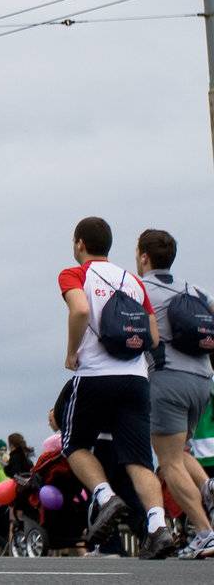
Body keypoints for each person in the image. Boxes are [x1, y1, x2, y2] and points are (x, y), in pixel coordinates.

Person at [58, 216, 174, 558]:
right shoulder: (133, 282)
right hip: (136, 380)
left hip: (94, 375)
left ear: (79, 244)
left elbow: (79, 309)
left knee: (75, 443)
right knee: (139, 459)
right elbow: (152, 337)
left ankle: (106, 497)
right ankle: (157, 526)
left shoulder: (74, 273)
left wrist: (71, 353)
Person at [135, 227, 214, 557]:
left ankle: (205, 533)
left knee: (167, 463)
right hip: (203, 381)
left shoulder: (142, 289)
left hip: (168, 380)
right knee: (181, 452)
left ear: (144, 257)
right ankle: (209, 487)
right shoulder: (194, 289)